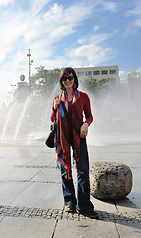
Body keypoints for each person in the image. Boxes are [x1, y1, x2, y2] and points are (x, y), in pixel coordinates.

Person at [50, 67, 98, 219]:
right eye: (64, 79)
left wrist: (86, 124)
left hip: (79, 136)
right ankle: (70, 201)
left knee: (83, 170)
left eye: (70, 78)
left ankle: (83, 206)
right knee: (65, 169)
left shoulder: (83, 96)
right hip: (62, 137)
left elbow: (89, 116)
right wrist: (55, 106)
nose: (68, 81)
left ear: (75, 79)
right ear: (61, 82)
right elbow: (52, 118)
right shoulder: (57, 98)